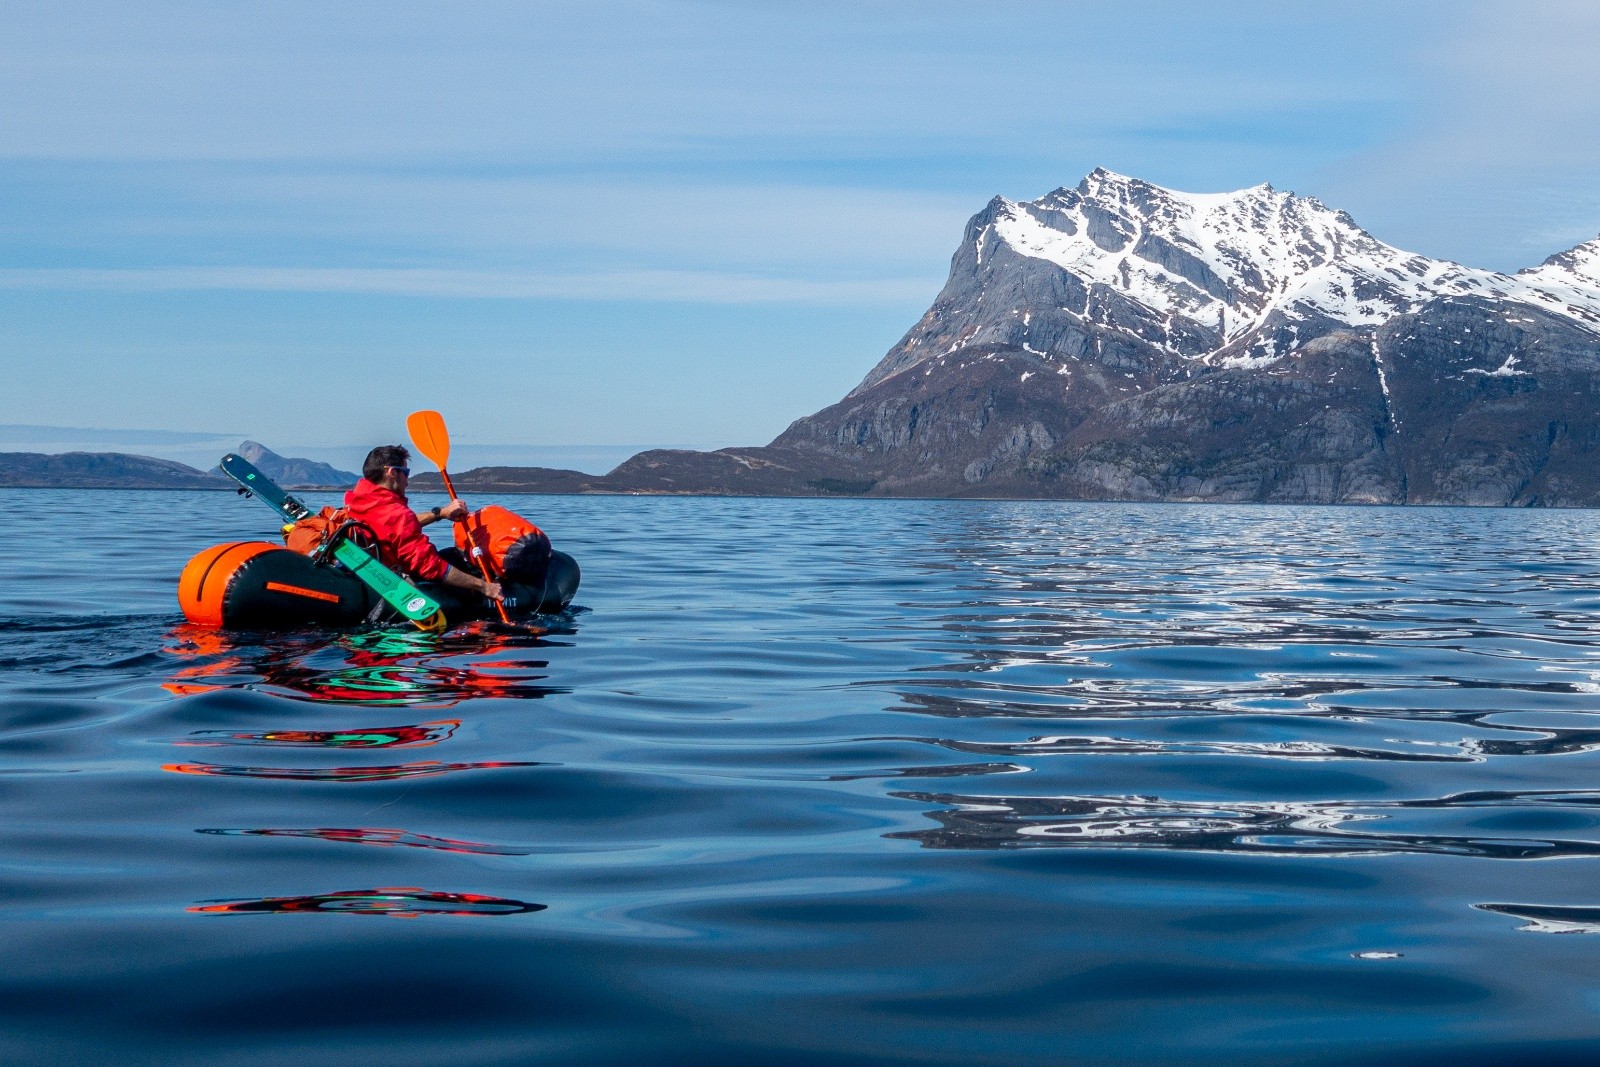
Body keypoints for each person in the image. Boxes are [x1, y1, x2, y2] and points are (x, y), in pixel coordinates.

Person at [344, 445, 502, 602]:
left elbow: (391, 528)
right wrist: (484, 586)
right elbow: (431, 567)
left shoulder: (355, 501)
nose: (407, 481)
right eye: (406, 473)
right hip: (394, 582)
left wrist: (440, 514)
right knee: (455, 557)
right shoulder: (397, 515)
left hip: (365, 575)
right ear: (392, 473)